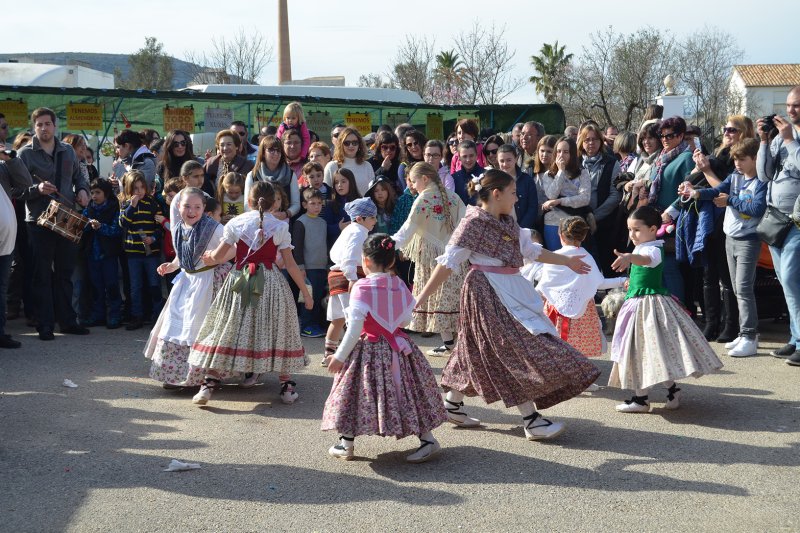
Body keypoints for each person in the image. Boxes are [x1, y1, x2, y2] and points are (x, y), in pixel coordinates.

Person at [416, 169, 600, 438]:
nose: (516, 198)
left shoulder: (507, 221)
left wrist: (567, 261)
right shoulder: (472, 223)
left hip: (511, 288)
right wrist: (420, 299)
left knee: (476, 350)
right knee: (511, 349)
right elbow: (448, 264)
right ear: (496, 194)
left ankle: (452, 404)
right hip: (486, 291)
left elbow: (531, 251)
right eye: (513, 193)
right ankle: (532, 419)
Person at [322, 234, 448, 463]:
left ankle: (346, 442)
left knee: (355, 392)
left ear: (366, 261)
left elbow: (353, 329)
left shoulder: (362, 287)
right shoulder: (398, 284)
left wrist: (339, 356)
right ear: (391, 262)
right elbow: (406, 320)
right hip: (399, 348)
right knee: (407, 392)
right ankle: (427, 439)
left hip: (368, 349)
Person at [188, 181, 312, 405]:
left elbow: (217, 257)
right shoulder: (281, 227)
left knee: (228, 327)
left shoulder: (236, 223)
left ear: (249, 201)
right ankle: (286, 386)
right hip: (270, 282)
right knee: (277, 329)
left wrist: (209, 257)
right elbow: (291, 265)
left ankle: (208, 384)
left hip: (240, 279)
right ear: (275, 203)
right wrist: (306, 292)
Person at [609, 206, 723, 412]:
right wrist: (631, 279)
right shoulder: (642, 247)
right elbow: (641, 266)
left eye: (636, 229)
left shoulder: (653, 249)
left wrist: (629, 258)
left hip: (649, 307)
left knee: (642, 350)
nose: (632, 234)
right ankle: (666, 391)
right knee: (648, 352)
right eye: (629, 230)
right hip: (637, 303)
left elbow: (646, 260)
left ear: (653, 229)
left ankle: (642, 399)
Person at [680, 138, 767, 358]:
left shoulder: (762, 182)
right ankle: (743, 331)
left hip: (748, 240)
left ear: (755, 159)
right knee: (737, 288)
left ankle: (749, 334)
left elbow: (756, 208)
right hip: (731, 238)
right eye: (735, 159)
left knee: (744, 288)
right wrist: (696, 193)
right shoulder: (735, 177)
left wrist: (730, 201)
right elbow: (716, 189)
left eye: (742, 159)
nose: (737, 163)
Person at [144, 187, 233, 389]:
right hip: (187, 282)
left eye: (197, 207)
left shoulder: (212, 228)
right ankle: (176, 375)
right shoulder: (179, 228)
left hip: (207, 282)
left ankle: (200, 377)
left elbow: (233, 247)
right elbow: (183, 255)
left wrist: (216, 257)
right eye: (187, 206)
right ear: (178, 206)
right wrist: (172, 266)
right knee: (175, 324)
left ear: (203, 208)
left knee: (199, 327)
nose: (191, 211)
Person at [18, 107, 90, 341]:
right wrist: (36, 189)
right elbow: (15, 190)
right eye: (39, 124)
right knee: (42, 275)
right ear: (33, 127)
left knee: (65, 273)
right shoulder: (24, 154)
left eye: (47, 124)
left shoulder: (68, 150)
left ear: (55, 125)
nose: (44, 128)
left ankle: (68, 321)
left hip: (66, 217)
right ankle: (45, 324)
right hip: (38, 220)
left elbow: (80, 177)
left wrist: (82, 191)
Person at [392, 163, 466, 356]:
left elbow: (408, 228)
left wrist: (388, 245)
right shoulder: (453, 197)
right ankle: (457, 344)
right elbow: (466, 224)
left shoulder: (424, 199)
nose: (413, 186)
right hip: (454, 256)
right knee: (454, 299)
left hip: (433, 258)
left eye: (414, 181)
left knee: (438, 298)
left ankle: (450, 344)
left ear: (425, 179)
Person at [531, 217, 626, 362]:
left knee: (556, 348)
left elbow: (544, 285)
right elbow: (599, 283)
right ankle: (581, 379)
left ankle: (562, 378)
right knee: (579, 350)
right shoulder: (587, 257)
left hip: (555, 310)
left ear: (560, 234)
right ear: (584, 236)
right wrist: (622, 280)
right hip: (583, 311)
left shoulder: (555, 257)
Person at [757, 86, 800, 365]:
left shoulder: (790, 138)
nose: (790, 110)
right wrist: (764, 141)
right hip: (776, 221)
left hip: (796, 222)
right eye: (788, 105)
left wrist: (789, 142)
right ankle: (795, 338)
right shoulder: (780, 137)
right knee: (786, 283)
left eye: (796, 105)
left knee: (793, 282)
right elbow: (763, 174)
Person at [324, 198, 377, 366]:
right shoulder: (358, 231)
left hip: (337, 275)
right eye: (372, 217)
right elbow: (349, 258)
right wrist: (353, 279)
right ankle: (347, 354)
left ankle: (329, 354)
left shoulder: (351, 230)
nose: (375, 221)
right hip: (347, 277)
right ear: (360, 218)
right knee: (351, 317)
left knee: (338, 318)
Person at [650, 117, 695, 301]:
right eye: (662, 135)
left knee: (669, 266)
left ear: (681, 135)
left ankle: (679, 310)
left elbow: (688, 188)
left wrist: (671, 211)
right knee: (660, 265)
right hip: (656, 217)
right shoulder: (661, 157)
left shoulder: (686, 157)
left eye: (670, 135)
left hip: (673, 219)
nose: (665, 139)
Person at [118, 170, 164, 331]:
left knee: (154, 284)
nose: (139, 191)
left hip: (151, 252)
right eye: (135, 188)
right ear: (129, 190)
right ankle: (136, 316)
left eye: (141, 187)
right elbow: (122, 223)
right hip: (133, 253)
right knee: (135, 286)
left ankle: (157, 316)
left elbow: (160, 227)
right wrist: (132, 206)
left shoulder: (152, 204)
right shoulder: (126, 205)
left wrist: (153, 238)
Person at [578, 124, 621, 276]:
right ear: (581, 142)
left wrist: (594, 217)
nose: (591, 143)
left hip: (604, 223)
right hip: (579, 222)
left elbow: (615, 194)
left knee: (608, 265)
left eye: (595, 139)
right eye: (587, 139)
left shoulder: (611, 162)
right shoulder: (575, 162)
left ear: (601, 141)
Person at [0, 145, 32, 348]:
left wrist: (11, 159)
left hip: (4, 239)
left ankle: (0, 333)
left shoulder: (3, 164)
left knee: (1, 287)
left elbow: (25, 183)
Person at [82, 178, 123, 329]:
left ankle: (114, 315)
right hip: (93, 254)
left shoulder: (114, 208)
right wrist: (87, 224)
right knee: (96, 287)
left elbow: (117, 230)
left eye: (97, 192)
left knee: (111, 286)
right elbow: (82, 226)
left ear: (106, 193)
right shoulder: (89, 208)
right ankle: (98, 315)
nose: (94, 196)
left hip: (108, 255)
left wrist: (101, 227)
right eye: (92, 192)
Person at [541, 137, 592, 251]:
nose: (561, 155)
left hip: (575, 222)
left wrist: (560, 201)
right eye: (558, 151)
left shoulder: (582, 173)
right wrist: (560, 172)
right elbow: (551, 195)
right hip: (553, 222)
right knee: (556, 259)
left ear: (572, 154)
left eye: (565, 152)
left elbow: (584, 198)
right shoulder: (548, 175)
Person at [293, 189, 328, 338]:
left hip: (321, 267)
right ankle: (306, 326)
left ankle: (315, 324)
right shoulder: (300, 222)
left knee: (318, 296)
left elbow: (324, 244)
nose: (316, 206)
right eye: (312, 203)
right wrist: (300, 267)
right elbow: (297, 247)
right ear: (304, 204)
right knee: (307, 297)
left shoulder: (323, 222)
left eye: (319, 203)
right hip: (307, 268)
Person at [244, 136, 300, 222]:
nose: (276, 153)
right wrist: (263, 216)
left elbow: (296, 204)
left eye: (278, 150)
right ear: (263, 153)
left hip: (283, 223)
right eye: (271, 150)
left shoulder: (290, 174)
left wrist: (285, 214)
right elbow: (247, 205)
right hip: (258, 223)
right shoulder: (253, 175)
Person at [496, 144, 539, 229]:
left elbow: (532, 207)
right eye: (502, 161)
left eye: (509, 160)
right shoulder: (494, 182)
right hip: (501, 229)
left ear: (516, 159)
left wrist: (521, 229)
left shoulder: (527, 180)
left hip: (524, 228)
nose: (505, 164)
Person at [324, 127, 374, 196]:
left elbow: (372, 192)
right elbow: (326, 194)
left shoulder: (367, 166)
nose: (351, 146)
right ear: (341, 145)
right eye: (347, 143)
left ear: (359, 144)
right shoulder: (331, 166)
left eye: (354, 142)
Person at [203, 130, 255, 195]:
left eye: (229, 144)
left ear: (236, 146)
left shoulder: (247, 165)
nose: (225, 148)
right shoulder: (211, 163)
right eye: (222, 145)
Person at [323, 168, 360, 245]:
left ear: (351, 182)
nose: (339, 185)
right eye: (336, 182)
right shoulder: (329, 204)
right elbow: (325, 228)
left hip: (357, 245)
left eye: (343, 181)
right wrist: (338, 227)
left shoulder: (360, 202)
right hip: (338, 247)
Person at [451, 140, 484, 206]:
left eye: (471, 155)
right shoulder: (454, 178)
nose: (468, 160)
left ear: (476, 156)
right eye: (464, 156)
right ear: (459, 158)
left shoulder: (485, 175)